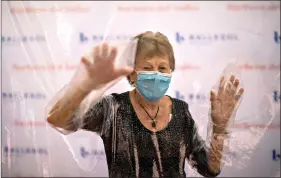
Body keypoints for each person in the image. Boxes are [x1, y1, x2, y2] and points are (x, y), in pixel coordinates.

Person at [47, 31, 244, 177]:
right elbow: (57, 119)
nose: (156, 74)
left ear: (171, 72)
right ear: (131, 72)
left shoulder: (181, 111)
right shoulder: (113, 109)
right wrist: (87, 85)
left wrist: (219, 128)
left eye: (163, 68)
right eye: (147, 67)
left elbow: (210, 169)